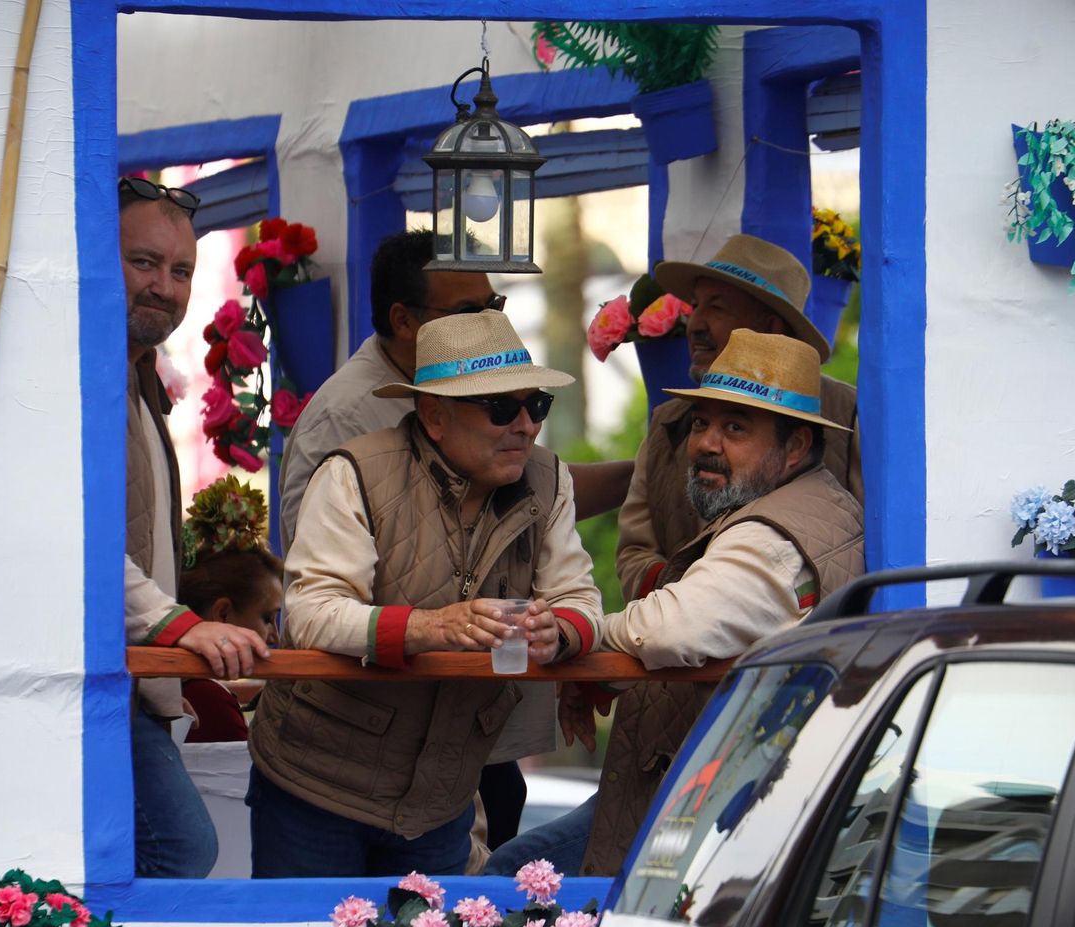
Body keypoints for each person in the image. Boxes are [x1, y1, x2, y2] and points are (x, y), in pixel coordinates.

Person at [275, 230, 629, 850]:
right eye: (499, 408)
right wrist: (430, 627)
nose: (525, 425)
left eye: (537, 403)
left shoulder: (546, 479)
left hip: (446, 777)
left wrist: (564, 631)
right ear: (433, 416)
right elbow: (309, 610)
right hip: (322, 779)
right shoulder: (353, 465)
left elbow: (578, 596)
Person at [485, 330, 864, 878]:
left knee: (512, 878)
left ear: (797, 447)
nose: (707, 443)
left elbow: (668, 628)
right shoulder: (811, 507)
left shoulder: (771, 539)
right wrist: (604, 677)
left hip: (721, 810)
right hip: (713, 792)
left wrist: (581, 639)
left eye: (736, 428)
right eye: (701, 423)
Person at [120, 176, 269, 878]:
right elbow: (82, 545)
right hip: (104, 675)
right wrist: (176, 627)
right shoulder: (81, 376)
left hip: (133, 678)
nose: (166, 288)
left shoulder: (137, 374)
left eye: (180, 271)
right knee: (181, 848)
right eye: (143, 263)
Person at [616, 233, 862, 607]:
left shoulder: (846, 414)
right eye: (695, 305)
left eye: (717, 307)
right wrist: (701, 599)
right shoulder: (669, 422)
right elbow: (634, 554)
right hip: (685, 647)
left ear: (770, 326)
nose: (695, 323)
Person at [176, 477, 283, 744]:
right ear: (222, 614)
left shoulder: (180, 689)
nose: (275, 636)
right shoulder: (209, 701)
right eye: (267, 618)